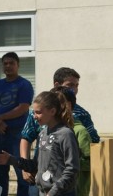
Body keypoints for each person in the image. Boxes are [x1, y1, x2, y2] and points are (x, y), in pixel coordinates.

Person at [20, 66, 99, 195]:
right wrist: (24, 167)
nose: (74, 89)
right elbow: (26, 137)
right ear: (57, 85)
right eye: (70, 85)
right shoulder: (39, 112)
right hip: (40, 175)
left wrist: (74, 160)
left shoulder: (81, 116)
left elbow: (94, 145)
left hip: (64, 184)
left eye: (76, 85)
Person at [0, 91, 80, 196]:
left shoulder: (65, 134)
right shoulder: (42, 134)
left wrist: (54, 192)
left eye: (38, 112)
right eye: (34, 112)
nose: (34, 116)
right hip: (43, 192)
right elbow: (36, 165)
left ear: (52, 111)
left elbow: (72, 170)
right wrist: (11, 159)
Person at [0, 52, 34, 196]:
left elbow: (23, 107)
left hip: (17, 135)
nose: (8, 66)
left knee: (22, 173)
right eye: (5, 63)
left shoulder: (24, 84)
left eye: (11, 63)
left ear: (18, 65)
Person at [51, 86, 91, 196]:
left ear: (67, 105)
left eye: (53, 104)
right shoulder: (47, 132)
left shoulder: (80, 131)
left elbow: (90, 162)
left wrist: (69, 162)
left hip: (75, 190)